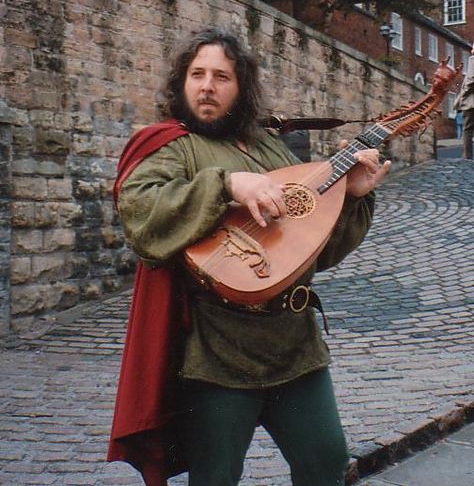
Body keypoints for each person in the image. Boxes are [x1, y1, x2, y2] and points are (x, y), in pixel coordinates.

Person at [107, 27, 391, 486]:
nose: (206, 86)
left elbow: (311, 249)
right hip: (218, 350)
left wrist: (352, 197)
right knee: (216, 477)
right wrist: (226, 185)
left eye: (221, 77)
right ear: (182, 82)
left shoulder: (267, 146)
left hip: (293, 345)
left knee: (325, 463)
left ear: (241, 89)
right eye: (197, 74)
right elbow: (141, 213)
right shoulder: (172, 145)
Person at [454, 43, 474, 159]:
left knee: (467, 129)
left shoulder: (473, 59)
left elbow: (472, 78)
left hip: (471, 101)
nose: (471, 50)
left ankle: (467, 156)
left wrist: (464, 94)